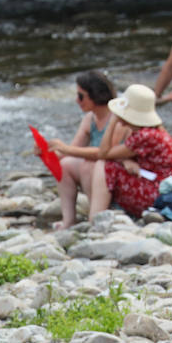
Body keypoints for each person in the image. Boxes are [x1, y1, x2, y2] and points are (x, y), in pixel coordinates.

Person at [86, 85, 172, 219]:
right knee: (109, 164)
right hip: (166, 188)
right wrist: (125, 160)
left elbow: (103, 153)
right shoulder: (154, 131)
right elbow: (119, 154)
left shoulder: (144, 136)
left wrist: (113, 121)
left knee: (102, 165)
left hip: (158, 194)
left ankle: (95, 216)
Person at [45, 71, 116, 230]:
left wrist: (65, 148)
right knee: (65, 165)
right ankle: (69, 220)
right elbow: (70, 151)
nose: (77, 100)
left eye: (81, 96)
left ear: (96, 95)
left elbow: (106, 152)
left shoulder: (116, 118)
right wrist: (46, 151)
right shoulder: (89, 119)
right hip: (96, 170)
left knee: (88, 165)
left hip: (113, 168)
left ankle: (96, 213)